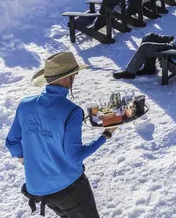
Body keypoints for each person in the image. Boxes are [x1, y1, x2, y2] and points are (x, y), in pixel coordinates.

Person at [6, 51, 112, 218]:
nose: (75, 78)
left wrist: (27, 161)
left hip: (39, 190)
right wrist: (106, 135)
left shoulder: (25, 105)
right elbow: (74, 157)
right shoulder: (71, 111)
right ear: (66, 78)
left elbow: (11, 143)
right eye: (74, 75)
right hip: (69, 189)